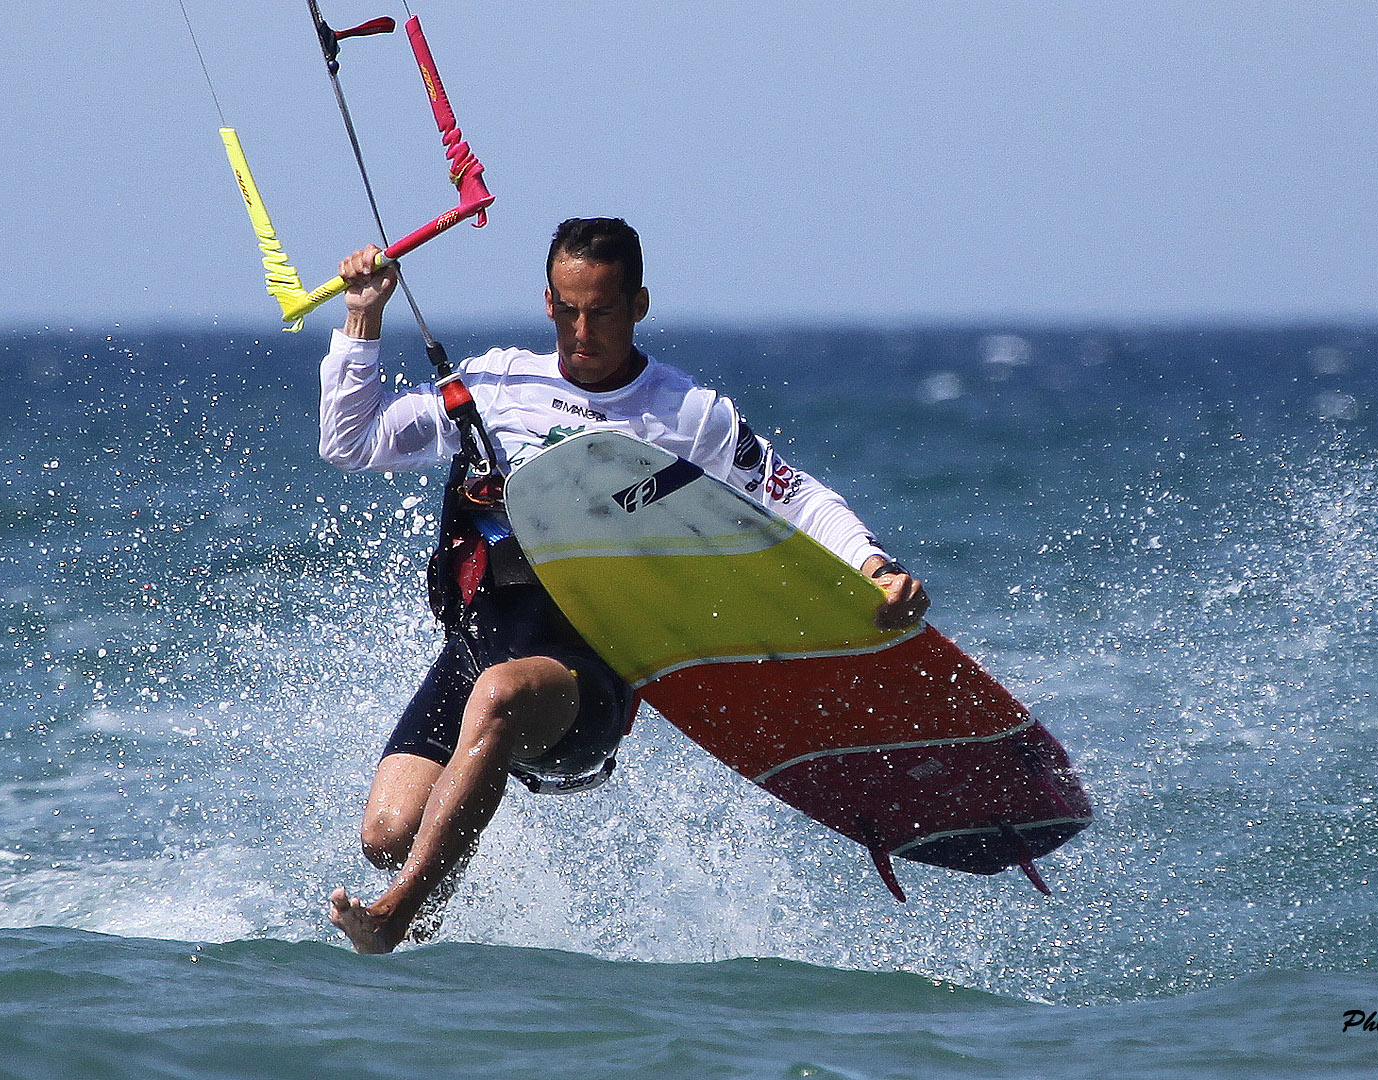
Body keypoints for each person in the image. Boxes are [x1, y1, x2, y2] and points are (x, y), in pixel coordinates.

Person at [320, 218, 927, 953]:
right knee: (387, 836)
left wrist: (872, 565)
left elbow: (793, 496)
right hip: (480, 645)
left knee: (503, 696)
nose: (582, 331)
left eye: (602, 311)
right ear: (547, 302)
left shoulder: (688, 415)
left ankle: (394, 919)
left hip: (591, 672)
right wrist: (362, 318)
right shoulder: (494, 385)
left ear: (638, 304)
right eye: (568, 310)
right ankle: (434, 921)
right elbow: (349, 444)